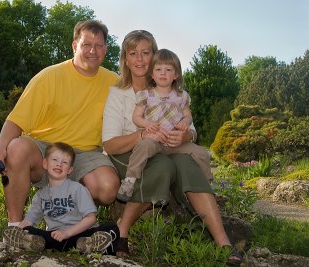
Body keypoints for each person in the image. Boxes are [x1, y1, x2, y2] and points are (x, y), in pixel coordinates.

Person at [102, 30, 243, 265]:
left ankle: (224, 243)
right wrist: (142, 134)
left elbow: (192, 129)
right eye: (133, 53)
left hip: (169, 145)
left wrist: (184, 136)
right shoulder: (118, 94)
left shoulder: (170, 89)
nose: (139, 59)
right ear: (125, 59)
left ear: (155, 55)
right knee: (164, 166)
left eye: (146, 53)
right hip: (130, 152)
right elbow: (109, 143)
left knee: (187, 163)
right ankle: (123, 230)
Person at [0, 20, 120, 229]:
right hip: (44, 148)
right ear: (74, 45)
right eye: (86, 44)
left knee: (108, 187)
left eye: (99, 45)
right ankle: (15, 226)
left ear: (106, 48)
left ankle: (68, 208)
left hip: (85, 154)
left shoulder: (115, 83)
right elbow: (16, 119)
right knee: (16, 149)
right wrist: (0, 147)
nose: (93, 51)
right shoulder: (49, 76)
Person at [117, 48, 213, 201]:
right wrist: (147, 123)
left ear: (175, 75)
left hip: (175, 142)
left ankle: (207, 185)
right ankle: (129, 180)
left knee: (201, 153)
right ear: (152, 74)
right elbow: (136, 117)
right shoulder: (146, 95)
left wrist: (185, 122)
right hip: (155, 139)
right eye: (158, 69)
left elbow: (188, 116)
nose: (163, 73)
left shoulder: (181, 96)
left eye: (168, 69)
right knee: (143, 146)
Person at [2, 142, 119, 254]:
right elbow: (29, 221)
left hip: (81, 234)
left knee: (111, 228)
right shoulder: (40, 196)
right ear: (45, 164)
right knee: (31, 231)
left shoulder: (77, 189)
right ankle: (34, 243)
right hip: (55, 237)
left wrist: (67, 233)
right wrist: (18, 230)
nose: (59, 164)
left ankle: (88, 244)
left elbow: (91, 219)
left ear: (70, 170)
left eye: (65, 162)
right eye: (55, 160)